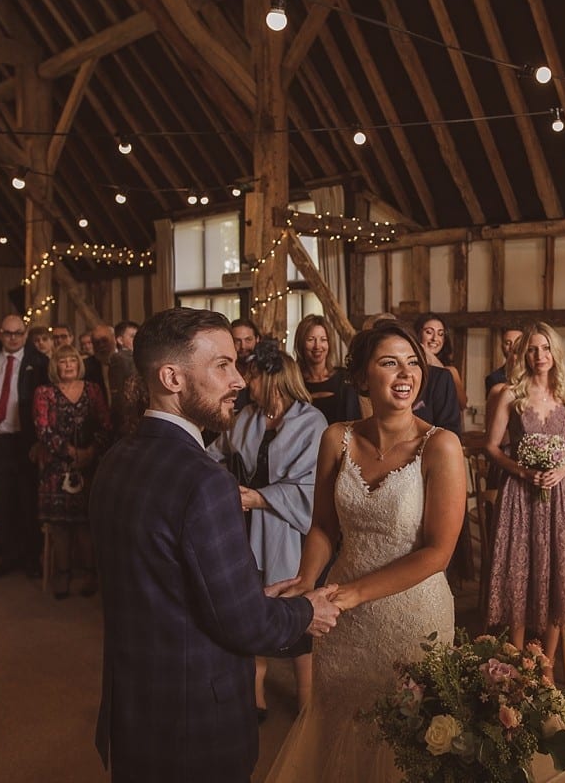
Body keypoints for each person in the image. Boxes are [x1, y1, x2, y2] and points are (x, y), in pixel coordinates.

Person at [89, 307, 339, 783]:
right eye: (221, 365)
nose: (239, 380)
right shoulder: (205, 482)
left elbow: (162, 584)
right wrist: (309, 611)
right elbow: (245, 626)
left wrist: (250, 596)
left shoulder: (116, 460)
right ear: (172, 377)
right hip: (194, 720)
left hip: (134, 709)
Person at [264, 321, 466, 783]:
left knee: (406, 739)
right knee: (339, 724)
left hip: (412, 616)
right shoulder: (336, 437)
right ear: (361, 377)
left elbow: (437, 553)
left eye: (413, 362)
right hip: (343, 622)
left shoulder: (441, 446)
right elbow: (322, 526)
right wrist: (306, 579)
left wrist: (351, 593)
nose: (405, 372)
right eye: (389, 362)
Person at [207, 339, 328, 717]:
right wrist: (225, 487)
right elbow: (213, 456)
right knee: (252, 602)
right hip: (241, 525)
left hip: (288, 529)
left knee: (294, 604)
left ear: (274, 378)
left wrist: (260, 498)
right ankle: (255, 691)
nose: (244, 382)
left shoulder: (312, 422)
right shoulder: (246, 418)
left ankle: (306, 698)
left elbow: (314, 486)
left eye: (252, 375)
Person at [483, 321, 565, 667]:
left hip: (560, 497)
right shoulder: (508, 394)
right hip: (519, 493)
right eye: (532, 349)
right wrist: (522, 470)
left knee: (556, 571)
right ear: (522, 354)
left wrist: (560, 472)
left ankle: (545, 665)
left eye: (545, 348)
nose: (539, 356)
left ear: (555, 352)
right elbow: (491, 446)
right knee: (518, 569)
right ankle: (516, 662)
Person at [0, 314, 49, 578]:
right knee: (2, 503)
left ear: (25, 335)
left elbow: (45, 406)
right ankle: (9, 557)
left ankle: (31, 559)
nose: (13, 338)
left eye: (18, 333)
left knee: (27, 501)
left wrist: (40, 441)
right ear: (0, 334)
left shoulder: (39, 362)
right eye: (7, 333)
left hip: (25, 442)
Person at [33, 344, 111, 598]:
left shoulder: (93, 389)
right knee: (60, 526)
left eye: (72, 361)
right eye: (62, 362)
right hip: (56, 468)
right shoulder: (44, 392)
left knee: (87, 523)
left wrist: (89, 452)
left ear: (79, 364)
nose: (68, 365)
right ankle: (62, 574)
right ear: (55, 366)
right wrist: (71, 453)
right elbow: (43, 429)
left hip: (91, 465)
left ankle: (90, 573)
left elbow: (105, 423)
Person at [293, 314, 347, 423]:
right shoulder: (294, 381)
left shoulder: (344, 378)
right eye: (311, 339)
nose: (317, 346)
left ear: (329, 343)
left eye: (323, 339)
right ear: (301, 343)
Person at [415, 312, 468, 411]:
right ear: (418, 333)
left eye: (440, 334)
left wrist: (428, 354)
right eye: (429, 332)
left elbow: (462, 404)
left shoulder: (450, 371)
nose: (435, 338)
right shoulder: (412, 369)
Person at [485, 327, 523, 395]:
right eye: (508, 343)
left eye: (517, 343)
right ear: (502, 347)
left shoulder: (535, 373)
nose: (513, 347)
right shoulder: (494, 378)